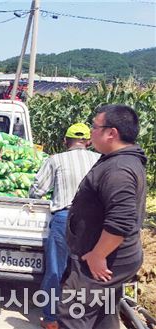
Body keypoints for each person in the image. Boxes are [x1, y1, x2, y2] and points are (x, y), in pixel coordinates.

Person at [57, 105, 147, 329]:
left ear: (111, 133)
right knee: (103, 314)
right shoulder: (117, 160)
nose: (90, 132)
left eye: (95, 127)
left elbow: (121, 221)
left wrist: (98, 254)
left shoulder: (119, 170)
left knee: (73, 313)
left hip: (103, 259)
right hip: (111, 257)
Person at [29, 123, 100, 329]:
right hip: (92, 221)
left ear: (65, 141)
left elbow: (37, 190)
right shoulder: (99, 161)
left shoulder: (55, 160)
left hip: (64, 219)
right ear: (88, 141)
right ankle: (81, 318)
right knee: (85, 270)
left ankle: (50, 319)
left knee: (55, 269)